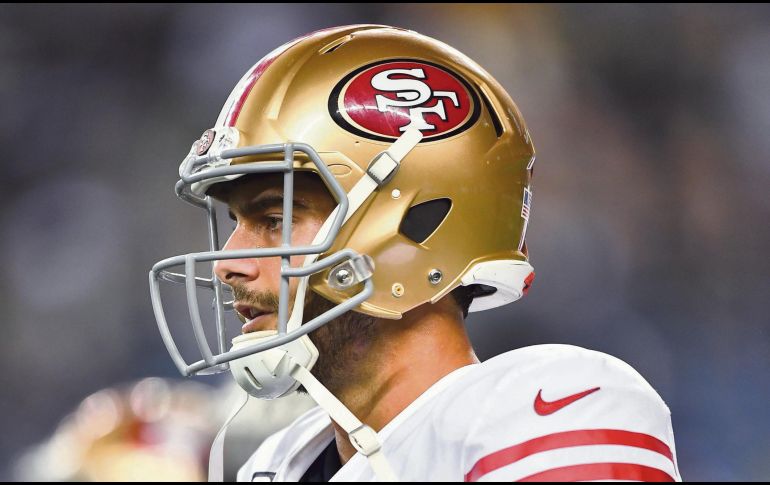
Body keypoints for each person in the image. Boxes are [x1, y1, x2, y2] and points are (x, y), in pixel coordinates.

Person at [149, 25, 681, 482]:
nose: (228, 262)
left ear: (413, 224)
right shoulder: (281, 462)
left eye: (274, 219)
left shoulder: (549, 408)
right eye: (237, 223)